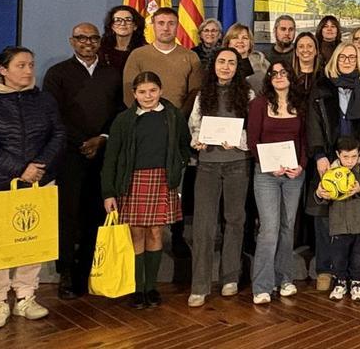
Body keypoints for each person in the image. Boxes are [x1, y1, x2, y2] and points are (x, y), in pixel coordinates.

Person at [0, 46, 64, 330]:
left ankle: (25, 296)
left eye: (31, 65)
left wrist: (39, 166)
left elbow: (58, 133)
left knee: (32, 241)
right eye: (21, 65)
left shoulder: (43, 99)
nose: (28, 70)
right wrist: (19, 169)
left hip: (37, 183)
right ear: (3, 69)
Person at [42, 23, 124, 300]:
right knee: (68, 214)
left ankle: (89, 269)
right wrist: (82, 142)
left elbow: (120, 111)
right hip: (69, 154)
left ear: (100, 41)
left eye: (93, 38)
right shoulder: (58, 73)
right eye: (81, 38)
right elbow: (52, 115)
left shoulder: (113, 73)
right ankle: (66, 271)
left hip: (103, 153)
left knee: (96, 214)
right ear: (71, 41)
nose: (87, 43)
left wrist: (101, 138)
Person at [100, 72, 191, 308]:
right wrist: (108, 192)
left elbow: (184, 144)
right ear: (134, 95)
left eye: (152, 91)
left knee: (155, 233)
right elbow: (111, 158)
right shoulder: (124, 120)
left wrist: (177, 167)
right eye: (142, 92)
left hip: (161, 180)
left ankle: (151, 287)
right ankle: (137, 288)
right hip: (132, 182)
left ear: (160, 91)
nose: (148, 96)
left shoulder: (173, 116)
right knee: (136, 234)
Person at [306, 41, 360, 291]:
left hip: (357, 160)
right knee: (325, 217)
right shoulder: (321, 88)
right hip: (329, 158)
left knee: (358, 216)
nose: (347, 61)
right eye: (343, 57)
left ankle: (359, 270)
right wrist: (319, 155)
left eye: (352, 57)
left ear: (358, 61)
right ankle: (326, 270)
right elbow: (314, 124)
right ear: (335, 61)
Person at [186, 48, 255, 307]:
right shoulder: (204, 94)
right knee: (204, 225)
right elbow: (194, 124)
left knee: (235, 220)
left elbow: (253, 128)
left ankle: (230, 278)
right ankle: (200, 285)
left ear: (238, 67)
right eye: (222, 62)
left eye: (231, 63)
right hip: (207, 166)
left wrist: (237, 141)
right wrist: (198, 141)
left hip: (237, 164)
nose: (226, 66)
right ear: (214, 65)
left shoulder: (247, 94)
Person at [247, 62, 308, 304]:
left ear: (290, 77)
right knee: (269, 228)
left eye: (284, 73)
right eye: (275, 73)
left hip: (294, 174)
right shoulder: (259, 104)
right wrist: (269, 165)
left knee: (287, 226)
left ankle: (285, 279)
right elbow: (253, 140)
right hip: (266, 174)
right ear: (269, 78)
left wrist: (301, 165)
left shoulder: (299, 104)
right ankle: (262, 285)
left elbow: (305, 139)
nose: (279, 77)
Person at [317, 136, 360, 302]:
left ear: (359, 153)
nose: (350, 161)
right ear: (338, 154)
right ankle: (340, 281)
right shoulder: (330, 172)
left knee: (359, 256)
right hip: (339, 223)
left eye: (353, 156)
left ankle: (356, 282)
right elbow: (324, 195)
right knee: (339, 255)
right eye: (345, 157)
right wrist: (319, 193)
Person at [122, 7, 204, 111]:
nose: (166, 28)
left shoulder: (191, 56)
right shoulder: (137, 55)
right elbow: (129, 92)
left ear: (177, 26)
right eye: (161, 23)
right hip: (144, 118)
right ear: (153, 26)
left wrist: (179, 118)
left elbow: (195, 93)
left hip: (179, 119)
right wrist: (142, 115)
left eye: (171, 23)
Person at [224, 23, 270, 90]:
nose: (240, 41)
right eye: (235, 37)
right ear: (228, 43)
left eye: (245, 38)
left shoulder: (262, 63)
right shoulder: (219, 64)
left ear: (250, 43)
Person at [99, 5, 146, 70]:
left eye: (128, 20)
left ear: (135, 26)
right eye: (118, 20)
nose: (123, 23)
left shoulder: (144, 50)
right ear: (112, 26)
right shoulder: (101, 48)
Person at [291, 31, 321, 97]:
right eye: (301, 46)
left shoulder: (324, 78)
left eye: (310, 46)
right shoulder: (288, 77)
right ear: (296, 52)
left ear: (316, 51)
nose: (305, 50)